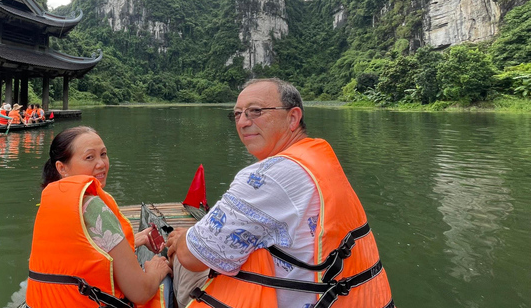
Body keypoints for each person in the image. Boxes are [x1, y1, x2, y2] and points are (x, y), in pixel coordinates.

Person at [166, 78, 394, 308]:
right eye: (237, 114)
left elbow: (192, 257)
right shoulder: (318, 159)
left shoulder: (270, 176)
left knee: (180, 260)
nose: (243, 122)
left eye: (255, 111)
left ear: (293, 118)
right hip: (357, 298)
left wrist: (182, 238)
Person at [26, 126, 172, 307]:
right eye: (90, 157)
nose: (101, 163)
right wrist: (155, 271)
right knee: (164, 281)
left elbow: (78, 254)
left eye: (103, 154)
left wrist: (131, 241)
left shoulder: (50, 202)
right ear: (62, 168)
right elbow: (139, 292)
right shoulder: (93, 207)